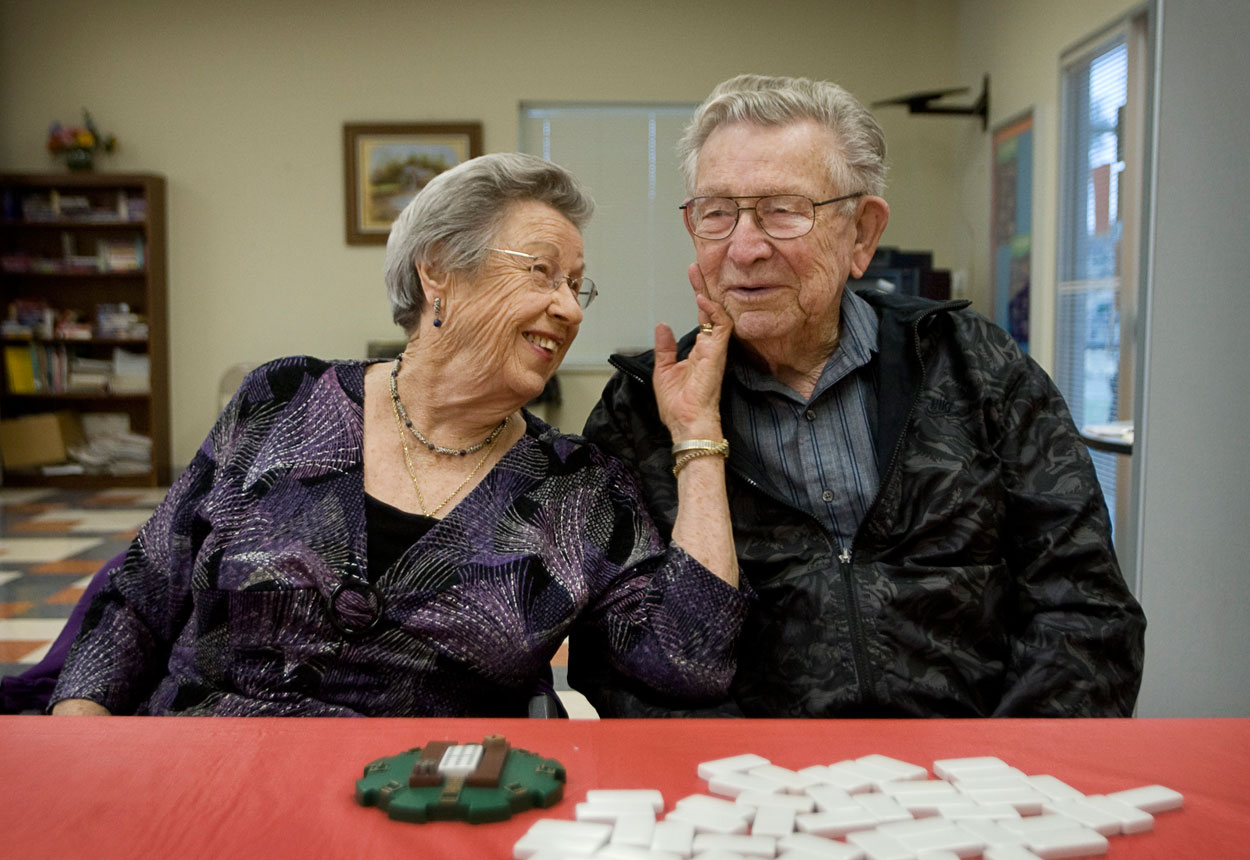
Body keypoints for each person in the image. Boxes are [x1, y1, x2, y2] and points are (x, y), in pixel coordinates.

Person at [50, 152, 745, 717]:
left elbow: (691, 662)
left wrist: (696, 435)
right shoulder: (285, 399)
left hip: (430, 809)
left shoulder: (577, 487)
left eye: (576, 285)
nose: (568, 308)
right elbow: (137, 598)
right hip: (202, 781)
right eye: (541, 272)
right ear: (438, 268)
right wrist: (84, 749)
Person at [569, 74, 1145, 718]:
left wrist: (1002, 773)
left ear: (862, 235)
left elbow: (1084, 606)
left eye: (784, 210)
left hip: (974, 780)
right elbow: (614, 654)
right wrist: (737, 783)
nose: (745, 248)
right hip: (749, 793)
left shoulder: (972, 366)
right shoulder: (641, 409)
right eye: (716, 213)